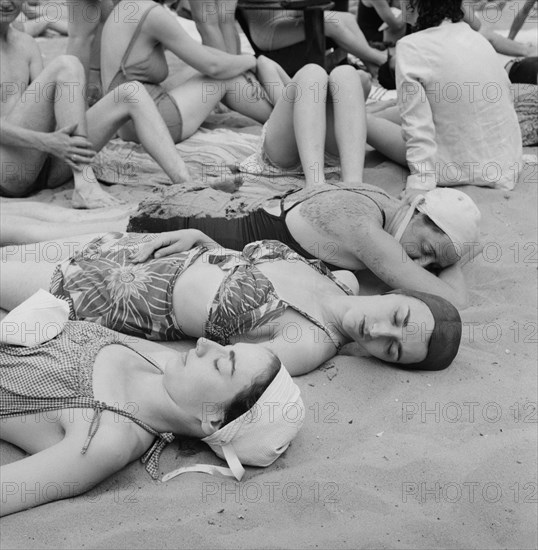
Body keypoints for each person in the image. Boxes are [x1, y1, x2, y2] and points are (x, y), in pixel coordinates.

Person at [1, 229, 464, 375]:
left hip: (111, 294)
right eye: (398, 318)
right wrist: (203, 239)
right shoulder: (339, 280)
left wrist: (98, 342)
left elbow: (202, 370)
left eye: (393, 349)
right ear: (395, 292)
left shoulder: (307, 343)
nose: (379, 333)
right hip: (147, 247)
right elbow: (243, 260)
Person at [0, 184, 482, 309]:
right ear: (419, 212)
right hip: (184, 223)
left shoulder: (378, 200)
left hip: (198, 209)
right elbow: (454, 302)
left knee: (57, 221)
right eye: (428, 249)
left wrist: (452, 248)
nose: (420, 263)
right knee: (44, 235)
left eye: (430, 263)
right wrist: (455, 264)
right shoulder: (370, 233)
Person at [0, 316, 304, 515]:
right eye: (224, 347)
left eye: (221, 364)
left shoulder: (109, 437)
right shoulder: (161, 361)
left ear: (211, 418)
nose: (204, 344)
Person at [0, 1, 194, 206]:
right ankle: (85, 183)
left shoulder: (27, 44)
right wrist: (46, 142)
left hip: (46, 164)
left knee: (131, 91)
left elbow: (44, 109)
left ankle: (187, 183)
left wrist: (72, 115)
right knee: (67, 64)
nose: (6, 2)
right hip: (8, 169)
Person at [368, 0, 523, 196]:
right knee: (393, 114)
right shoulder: (475, 38)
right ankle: (370, 112)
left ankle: (363, 116)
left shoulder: (410, 47)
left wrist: (420, 183)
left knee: (361, 121)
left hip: (457, 168)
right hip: (505, 162)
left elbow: (418, 127)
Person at [100, 0, 265, 144]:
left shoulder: (124, 8)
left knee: (207, 68)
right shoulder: (152, 14)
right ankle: (277, 118)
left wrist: (238, 65)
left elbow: (201, 54)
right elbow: (213, 67)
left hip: (125, 122)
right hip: (150, 125)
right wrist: (252, 61)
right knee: (225, 78)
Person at [239, 0, 388, 70]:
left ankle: (372, 66)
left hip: (286, 15)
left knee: (346, 18)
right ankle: (380, 59)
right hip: (267, 31)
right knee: (330, 23)